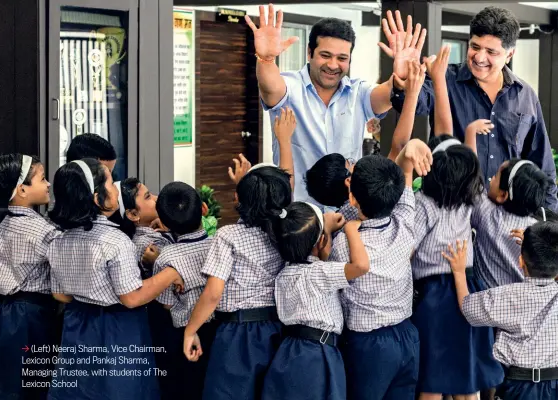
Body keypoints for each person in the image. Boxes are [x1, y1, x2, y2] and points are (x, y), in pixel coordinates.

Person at [246, 4, 425, 203]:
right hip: (299, 216)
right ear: (309, 53)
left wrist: (400, 77)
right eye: (325, 55)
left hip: (347, 212)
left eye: (342, 58)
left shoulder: (358, 92)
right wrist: (266, 60)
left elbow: (387, 93)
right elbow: (271, 87)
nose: (333, 65)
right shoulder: (290, 87)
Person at [383, 7, 558, 210]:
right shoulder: (444, 77)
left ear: (509, 54)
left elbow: (542, 165)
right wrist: (404, 80)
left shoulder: (525, 95)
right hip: (451, 210)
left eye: (491, 51)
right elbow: (413, 102)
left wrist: (549, 221)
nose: (480, 57)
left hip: (506, 219)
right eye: (475, 47)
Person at [46, 158, 184, 400]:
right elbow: (132, 297)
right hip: (118, 329)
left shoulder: (57, 240)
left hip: (77, 325)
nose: (115, 190)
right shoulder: (115, 240)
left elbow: (61, 294)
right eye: (110, 183)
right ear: (97, 198)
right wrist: (172, 272)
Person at [330, 138, 433, 400]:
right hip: (407, 336)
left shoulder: (346, 245)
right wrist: (411, 151)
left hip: (368, 345)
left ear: (352, 197)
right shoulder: (404, 223)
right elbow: (405, 174)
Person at [183, 163, 291, 400]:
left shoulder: (228, 235)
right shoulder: (287, 232)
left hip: (239, 334)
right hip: (279, 329)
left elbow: (213, 293)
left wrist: (191, 331)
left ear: (238, 199)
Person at [411, 134, 504, 399]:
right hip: (463, 288)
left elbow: (410, 248)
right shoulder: (469, 199)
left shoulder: (423, 203)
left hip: (434, 294)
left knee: (433, 376)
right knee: (467, 374)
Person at [261, 203, 368, 400]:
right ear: (320, 242)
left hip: (289, 350)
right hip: (317, 354)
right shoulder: (319, 273)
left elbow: (321, 256)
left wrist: (323, 232)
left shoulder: (283, 274)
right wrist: (351, 229)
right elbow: (360, 266)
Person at [444, 222, 558, 400]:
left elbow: (468, 309)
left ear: (520, 261)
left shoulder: (508, 296)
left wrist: (459, 272)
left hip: (521, 387)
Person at [0, 154, 61, 399]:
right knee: (34, 386)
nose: (48, 184)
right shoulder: (43, 230)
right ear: (22, 189)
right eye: (42, 179)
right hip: (33, 316)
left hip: (8, 312)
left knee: (11, 385)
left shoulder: (4, 223)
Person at [464, 123, 550, 288]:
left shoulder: (487, 215)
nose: (490, 180)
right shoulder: (536, 231)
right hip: (525, 307)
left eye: (495, 176)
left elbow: (471, 175)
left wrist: (470, 134)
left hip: (488, 302)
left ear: (503, 195)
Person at [153, 181, 216, 400]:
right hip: (218, 328)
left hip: (182, 334)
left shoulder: (166, 257)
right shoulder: (218, 245)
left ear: (163, 222)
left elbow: (166, 303)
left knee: (184, 388)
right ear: (204, 210)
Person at [110, 178, 174, 278]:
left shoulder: (157, 231)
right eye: (148, 196)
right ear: (133, 214)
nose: (156, 198)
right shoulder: (148, 244)